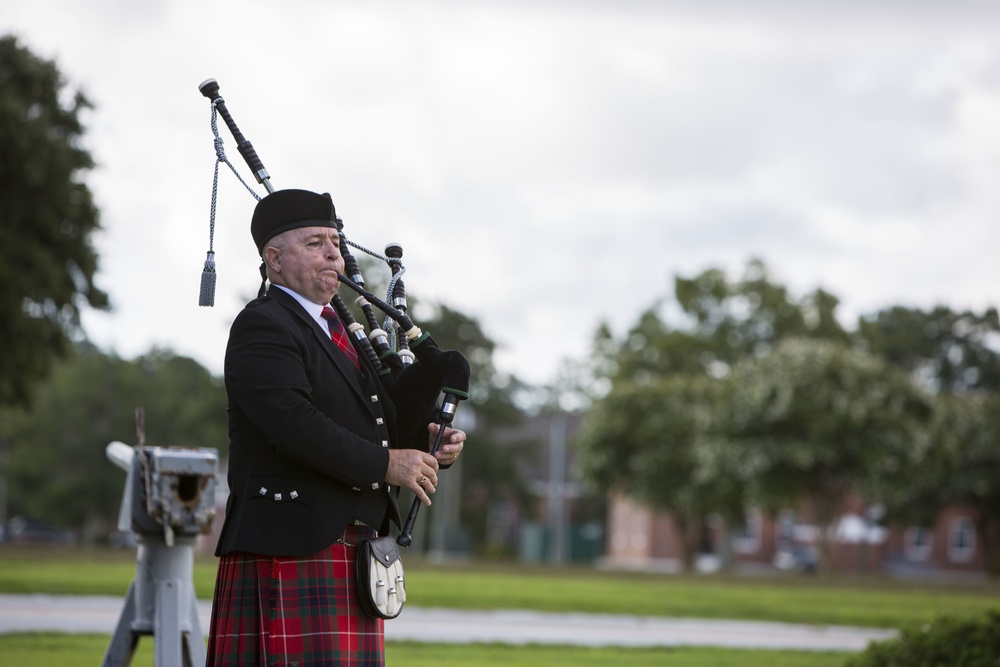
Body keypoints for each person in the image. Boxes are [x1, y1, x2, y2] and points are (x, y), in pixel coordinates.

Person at [206, 188, 466, 666]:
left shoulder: (341, 332)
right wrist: (388, 464)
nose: (334, 252)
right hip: (289, 547)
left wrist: (421, 444)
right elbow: (293, 425)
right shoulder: (263, 325)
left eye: (334, 241)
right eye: (314, 243)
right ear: (274, 258)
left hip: (354, 552)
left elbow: (371, 424)